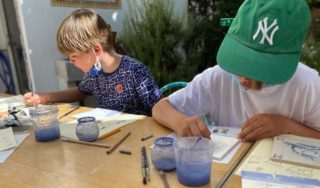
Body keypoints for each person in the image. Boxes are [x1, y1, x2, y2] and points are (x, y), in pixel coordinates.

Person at [152, 0, 320, 142]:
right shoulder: (218, 77)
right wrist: (180, 121)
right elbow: (160, 108)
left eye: (259, 67)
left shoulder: (307, 85)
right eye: (241, 59)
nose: (244, 78)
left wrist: (286, 127)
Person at [24, 9, 162, 116]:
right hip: (110, 138)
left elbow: (161, 109)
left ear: (96, 49)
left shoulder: (134, 71)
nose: (71, 61)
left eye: (73, 56)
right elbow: (80, 91)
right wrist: (44, 97)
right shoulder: (95, 72)